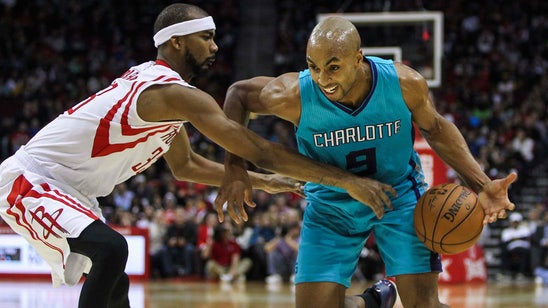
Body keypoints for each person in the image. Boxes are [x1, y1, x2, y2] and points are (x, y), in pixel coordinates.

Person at [0, 4, 407, 308]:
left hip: (70, 189)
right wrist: (345, 180)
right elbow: (255, 147)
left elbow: (186, 166)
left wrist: (264, 182)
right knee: (110, 250)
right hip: (30, 178)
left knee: (114, 284)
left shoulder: (167, 99)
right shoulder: (170, 92)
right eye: (206, 38)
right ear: (177, 42)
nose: (215, 46)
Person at [222, 16, 518, 308]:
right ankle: (373, 301)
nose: (323, 79)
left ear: (358, 58)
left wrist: (481, 183)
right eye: (314, 67)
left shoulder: (404, 83)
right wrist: (234, 168)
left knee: (422, 305)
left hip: (398, 195)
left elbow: (436, 129)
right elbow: (238, 95)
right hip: (331, 202)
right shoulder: (293, 95)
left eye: (333, 67)